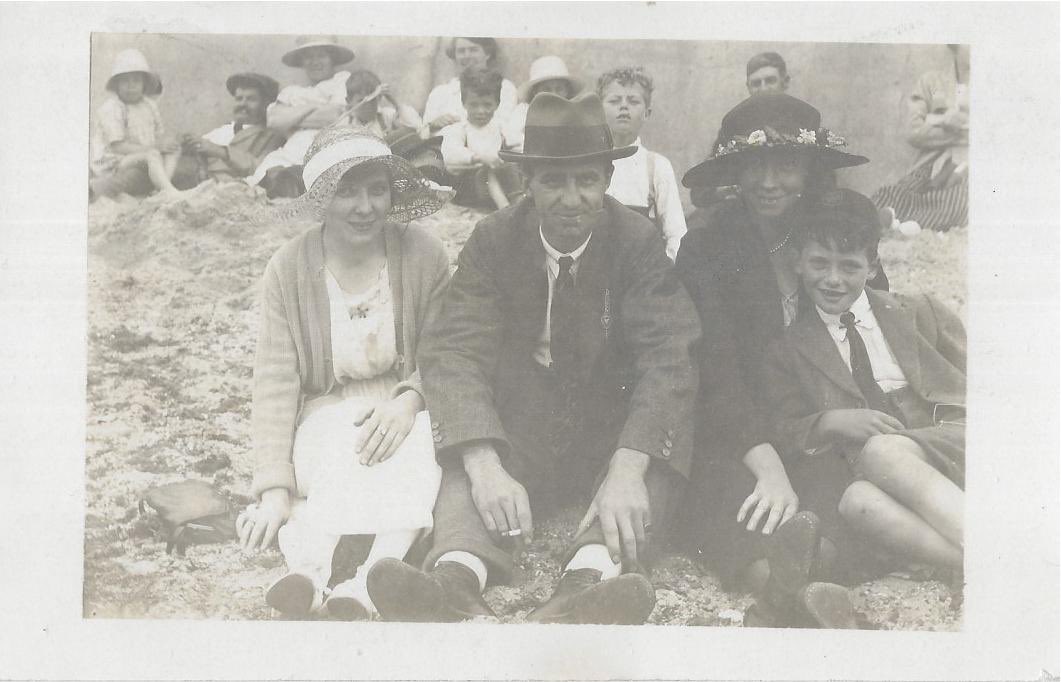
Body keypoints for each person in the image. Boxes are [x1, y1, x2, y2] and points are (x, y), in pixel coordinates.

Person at [365, 92, 701, 625]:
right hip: (524, 416)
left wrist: (629, 465)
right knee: (466, 445)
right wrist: (483, 465)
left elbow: (669, 358)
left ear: (607, 181)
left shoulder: (637, 241)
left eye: (586, 180)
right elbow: (454, 350)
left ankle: (585, 584)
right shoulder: (494, 239)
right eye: (553, 182)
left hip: (608, 420)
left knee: (663, 442)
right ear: (528, 184)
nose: (571, 199)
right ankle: (455, 579)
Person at [675, 93, 888, 628]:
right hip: (738, 426)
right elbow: (717, 371)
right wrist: (768, 467)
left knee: (835, 503)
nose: (770, 182)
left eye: (787, 165)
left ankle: (807, 588)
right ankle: (787, 598)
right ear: (734, 169)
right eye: (755, 165)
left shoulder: (836, 231)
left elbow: (871, 331)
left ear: (811, 169)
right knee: (737, 502)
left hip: (820, 424)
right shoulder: (707, 247)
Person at [237, 127, 454, 620]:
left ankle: (372, 579)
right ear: (321, 200)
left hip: (407, 406)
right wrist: (273, 487)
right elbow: (275, 380)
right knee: (337, 450)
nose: (365, 207)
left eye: (377, 189)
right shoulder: (288, 268)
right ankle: (307, 576)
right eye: (347, 191)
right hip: (327, 411)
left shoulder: (424, 255)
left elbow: (443, 352)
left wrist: (410, 399)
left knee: (419, 452)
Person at [762, 189, 965, 588]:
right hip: (885, 476)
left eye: (849, 266)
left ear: (872, 266)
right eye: (819, 263)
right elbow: (781, 427)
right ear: (797, 262)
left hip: (953, 442)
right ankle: (980, 559)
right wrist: (828, 422)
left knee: (882, 451)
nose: (833, 279)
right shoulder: (788, 348)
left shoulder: (919, 310)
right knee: (857, 502)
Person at [872, 44, 969, 233]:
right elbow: (914, 132)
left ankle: (906, 226)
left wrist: (934, 121)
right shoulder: (932, 82)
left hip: (968, 170)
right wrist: (949, 122)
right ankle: (896, 222)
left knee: (958, 201)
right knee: (889, 195)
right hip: (932, 167)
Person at [596, 67, 687, 262]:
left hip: (643, 274)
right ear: (599, 111)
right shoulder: (588, 163)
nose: (623, 107)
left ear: (647, 113)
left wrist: (662, 275)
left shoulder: (657, 166)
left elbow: (676, 234)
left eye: (633, 101)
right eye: (614, 101)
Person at [248, 36, 355, 198]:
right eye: (309, 57)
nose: (315, 62)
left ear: (332, 58)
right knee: (261, 184)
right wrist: (313, 107)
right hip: (290, 150)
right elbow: (274, 121)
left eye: (321, 55)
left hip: (326, 147)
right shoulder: (292, 91)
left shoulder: (342, 80)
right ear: (302, 62)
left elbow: (334, 116)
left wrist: (293, 117)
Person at [688, 51, 791, 219]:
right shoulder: (734, 128)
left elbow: (823, 184)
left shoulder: (803, 125)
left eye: (770, 81)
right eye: (756, 83)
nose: (763, 89)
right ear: (748, 88)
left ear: (785, 82)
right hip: (744, 218)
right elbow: (700, 190)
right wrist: (721, 192)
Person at [90, 48, 183, 199]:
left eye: (136, 80)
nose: (130, 85)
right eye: (125, 81)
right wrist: (153, 148)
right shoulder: (113, 108)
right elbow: (118, 146)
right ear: (116, 85)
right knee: (152, 155)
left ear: (144, 84)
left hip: (142, 156)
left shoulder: (149, 105)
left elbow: (158, 136)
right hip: (116, 161)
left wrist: (165, 144)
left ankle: (162, 187)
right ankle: (168, 191)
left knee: (174, 149)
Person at [176, 73, 285, 185]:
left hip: (221, 184)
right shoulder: (225, 129)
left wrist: (219, 151)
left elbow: (260, 168)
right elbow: (199, 146)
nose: (243, 104)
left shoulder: (272, 135)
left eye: (251, 99)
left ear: (266, 104)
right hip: (193, 172)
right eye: (239, 99)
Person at [440, 68, 522, 210]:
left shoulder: (501, 128)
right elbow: (449, 154)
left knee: (510, 166)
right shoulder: (459, 129)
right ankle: (507, 209)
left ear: (497, 104)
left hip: (498, 184)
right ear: (464, 103)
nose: (480, 111)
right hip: (467, 186)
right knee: (486, 170)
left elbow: (520, 145)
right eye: (474, 105)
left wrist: (512, 154)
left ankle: (518, 201)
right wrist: (478, 158)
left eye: (487, 105)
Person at [422, 37, 518, 134]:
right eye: (461, 51)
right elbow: (423, 134)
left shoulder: (504, 87)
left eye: (473, 50)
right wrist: (433, 125)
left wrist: (458, 125)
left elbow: (504, 125)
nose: (467, 56)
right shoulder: (440, 92)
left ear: (487, 54)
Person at [502, 55, 583, 152]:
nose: (554, 95)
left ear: (567, 91)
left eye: (559, 89)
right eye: (546, 89)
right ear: (535, 92)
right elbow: (512, 139)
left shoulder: (573, 112)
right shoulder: (524, 111)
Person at [341, 69, 425, 139]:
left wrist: (395, 103)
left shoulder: (387, 116)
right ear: (349, 101)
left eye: (373, 100)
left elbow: (418, 128)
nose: (368, 106)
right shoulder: (344, 124)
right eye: (361, 101)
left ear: (379, 97)